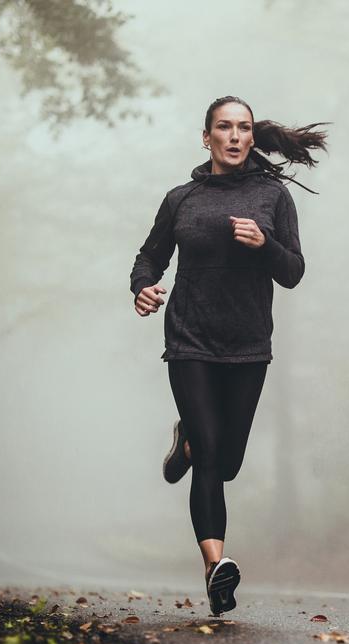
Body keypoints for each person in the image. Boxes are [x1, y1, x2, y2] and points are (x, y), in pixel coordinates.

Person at [129, 95, 328, 616]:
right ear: (207, 137)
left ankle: (187, 442)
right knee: (214, 457)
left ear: (251, 137)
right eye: (224, 127)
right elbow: (150, 257)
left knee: (229, 460)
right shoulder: (182, 199)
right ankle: (215, 567)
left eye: (243, 128)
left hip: (247, 344)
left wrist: (263, 244)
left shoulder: (273, 196)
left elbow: (293, 271)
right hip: (190, 340)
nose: (235, 136)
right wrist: (144, 288)